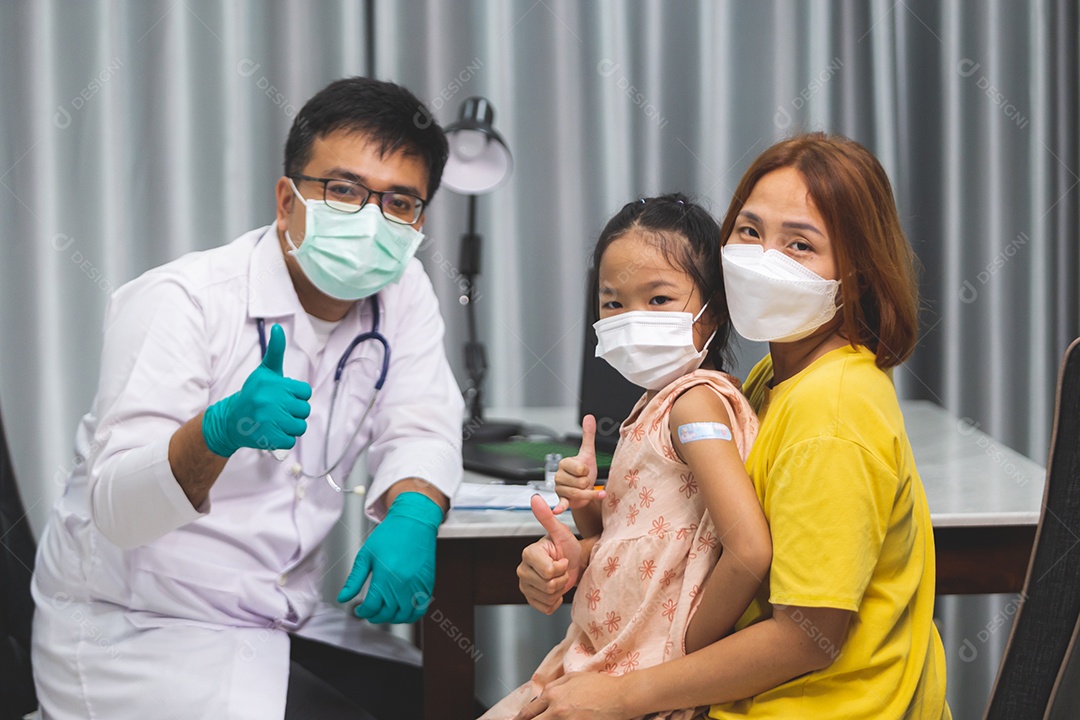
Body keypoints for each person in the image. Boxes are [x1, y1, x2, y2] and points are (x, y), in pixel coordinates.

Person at [31, 77, 464, 720]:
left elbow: (422, 420)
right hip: (142, 628)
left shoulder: (402, 292)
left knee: (463, 704)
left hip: (277, 618)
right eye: (343, 190)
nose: (371, 219)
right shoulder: (182, 301)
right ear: (286, 199)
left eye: (398, 202)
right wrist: (216, 431)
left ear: (419, 221)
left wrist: (415, 513)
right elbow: (117, 509)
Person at [514, 134, 950, 720]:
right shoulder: (774, 378)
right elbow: (687, 539)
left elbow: (806, 636)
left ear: (858, 274)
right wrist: (587, 552)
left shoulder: (834, 411)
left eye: (800, 244)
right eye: (749, 231)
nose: (763, 258)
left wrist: (628, 688)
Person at [485, 195, 768, 720]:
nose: (632, 319)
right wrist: (587, 506)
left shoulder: (693, 406)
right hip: (601, 664)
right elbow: (654, 537)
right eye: (613, 303)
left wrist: (678, 656)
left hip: (639, 683)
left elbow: (749, 551)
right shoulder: (658, 406)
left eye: (658, 299)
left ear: (714, 311)